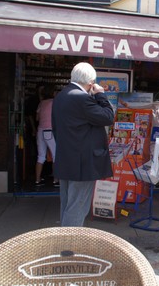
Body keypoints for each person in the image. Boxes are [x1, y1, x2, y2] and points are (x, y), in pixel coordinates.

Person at [52, 62, 114, 227]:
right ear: (90, 82)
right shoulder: (81, 98)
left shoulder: (61, 96)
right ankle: (69, 248)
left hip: (66, 158)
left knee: (66, 204)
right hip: (83, 162)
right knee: (77, 207)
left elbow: (56, 129)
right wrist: (100, 94)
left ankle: (63, 241)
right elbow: (108, 117)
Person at [35, 84, 58, 186]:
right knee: (55, 156)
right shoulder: (54, 103)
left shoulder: (41, 103)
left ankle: (37, 180)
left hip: (40, 131)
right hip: (50, 130)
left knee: (40, 156)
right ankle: (56, 180)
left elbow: (37, 118)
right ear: (53, 93)